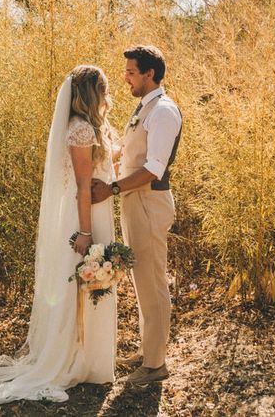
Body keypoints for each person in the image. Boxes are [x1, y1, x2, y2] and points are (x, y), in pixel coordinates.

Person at [0, 65, 120, 403]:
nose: (107, 96)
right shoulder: (80, 131)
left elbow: (99, 167)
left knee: (94, 287)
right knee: (84, 286)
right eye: (104, 90)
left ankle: (92, 359)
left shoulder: (89, 129)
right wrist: (85, 232)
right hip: (86, 216)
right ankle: (78, 359)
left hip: (94, 212)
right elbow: (82, 187)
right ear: (94, 93)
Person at [91, 45, 182, 386]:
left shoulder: (163, 112)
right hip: (134, 201)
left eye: (131, 72)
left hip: (149, 203)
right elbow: (131, 156)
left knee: (153, 282)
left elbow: (154, 168)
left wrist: (112, 188)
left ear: (150, 74)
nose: (125, 77)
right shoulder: (145, 108)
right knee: (141, 281)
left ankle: (156, 364)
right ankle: (148, 351)